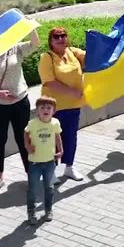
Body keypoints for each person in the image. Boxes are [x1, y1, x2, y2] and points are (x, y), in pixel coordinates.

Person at [0, 27, 40, 193]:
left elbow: (35, 44)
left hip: (20, 101)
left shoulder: (16, 48)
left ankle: (30, 174)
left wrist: (30, 27)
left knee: (23, 138)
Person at [38, 27, 86, 181]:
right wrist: (72, 91)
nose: (61, 39)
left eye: (63, 36)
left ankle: (69, 168)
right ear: (51, 41)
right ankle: (50, 171)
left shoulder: (73, 51)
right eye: (56, 37)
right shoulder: (47, 57)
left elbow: (92, 57)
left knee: (71, 138)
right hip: (53, 108)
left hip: (73, 105)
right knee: (51, 139)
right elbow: (49, 82)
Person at [24, 96, 63, 225]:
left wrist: (60, 150)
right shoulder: (32, 123)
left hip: (49, 162)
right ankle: (31, 211)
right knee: (32, 189)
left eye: (49, 108)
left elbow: (57, 137)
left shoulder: (55, 123)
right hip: (34, 163)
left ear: (54, 111)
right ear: (37, 110)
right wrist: (27, 146)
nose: (45, 110)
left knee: (49, 188)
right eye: (42, 107)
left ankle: (48, 209)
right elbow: (26, 134)